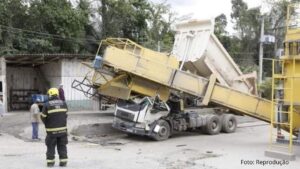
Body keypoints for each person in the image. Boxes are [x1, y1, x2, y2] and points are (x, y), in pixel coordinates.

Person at [41, 88, 68, 167]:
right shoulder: (64, 103)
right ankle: (63, 162)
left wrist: (47, 124)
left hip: (51, 131)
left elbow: (43, 117)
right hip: (63, 131)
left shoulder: (47, 104)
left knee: (51, 146)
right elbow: (65, 115)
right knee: (62, 146)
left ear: (50, 94)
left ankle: (50, 162)